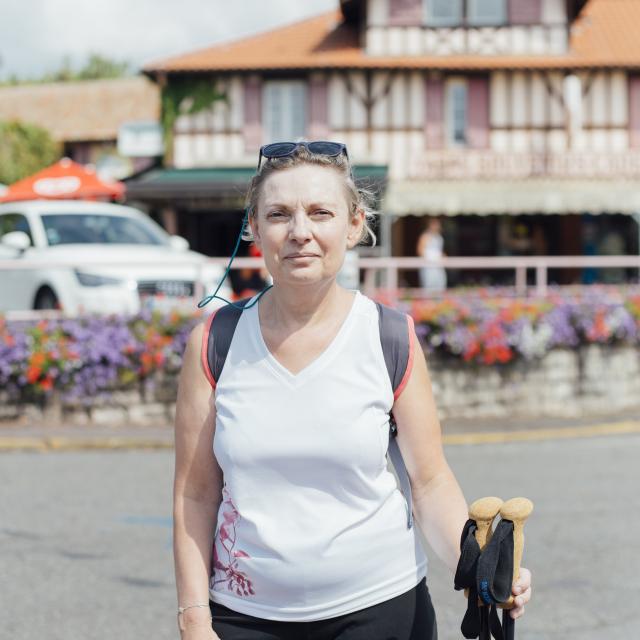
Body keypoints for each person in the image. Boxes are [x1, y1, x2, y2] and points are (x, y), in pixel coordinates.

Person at [173, 141, 532, 640]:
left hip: (381, 608)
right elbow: (195, 495)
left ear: (354, 224)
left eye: (321, 212)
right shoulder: (215, 342)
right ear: (253, 228)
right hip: (243, 615)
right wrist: (193, 618)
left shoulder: (388, 335)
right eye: (279, 214)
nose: (301, 232)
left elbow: (428, 483)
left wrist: (475, 569)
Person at [416, 218, 447, 292]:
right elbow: (420, 251)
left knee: (440, 286)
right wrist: (432, 258)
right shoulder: (425, 236)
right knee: (428, 288)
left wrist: (443, 256)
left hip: (439, 266)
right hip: (428, 266)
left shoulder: (439, 237)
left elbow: (439, 251)